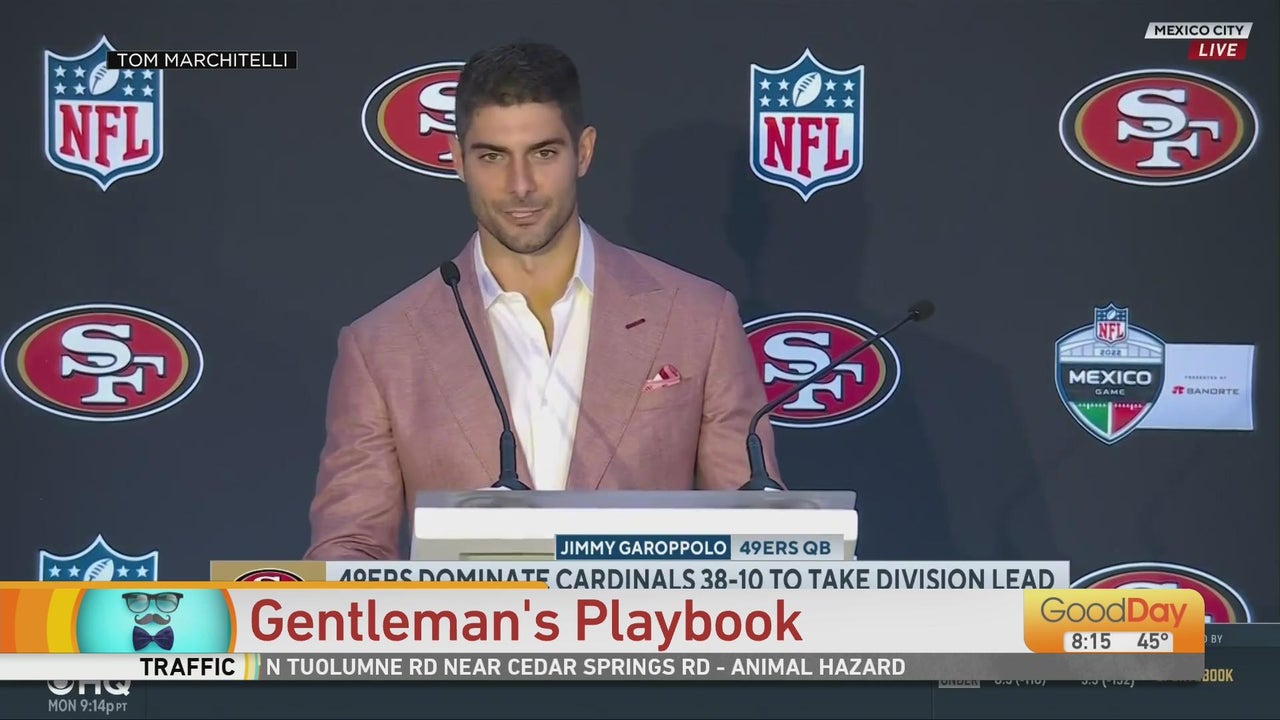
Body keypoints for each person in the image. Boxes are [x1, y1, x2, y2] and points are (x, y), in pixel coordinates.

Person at [305, 41, 782, 560]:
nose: (520, 186)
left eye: (543, 153)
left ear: (584, 151)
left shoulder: (698, 318)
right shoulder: (381, 347)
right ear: (457, 159)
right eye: (492, 156)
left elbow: (757, 536)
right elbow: (349, 549)